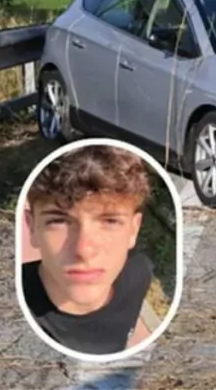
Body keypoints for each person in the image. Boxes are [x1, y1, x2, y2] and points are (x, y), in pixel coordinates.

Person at [21, 144, 155, 355]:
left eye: (110, 221)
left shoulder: (139, 274)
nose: (83, 250)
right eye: (59, 221)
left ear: (134, 229)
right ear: (32, 228)